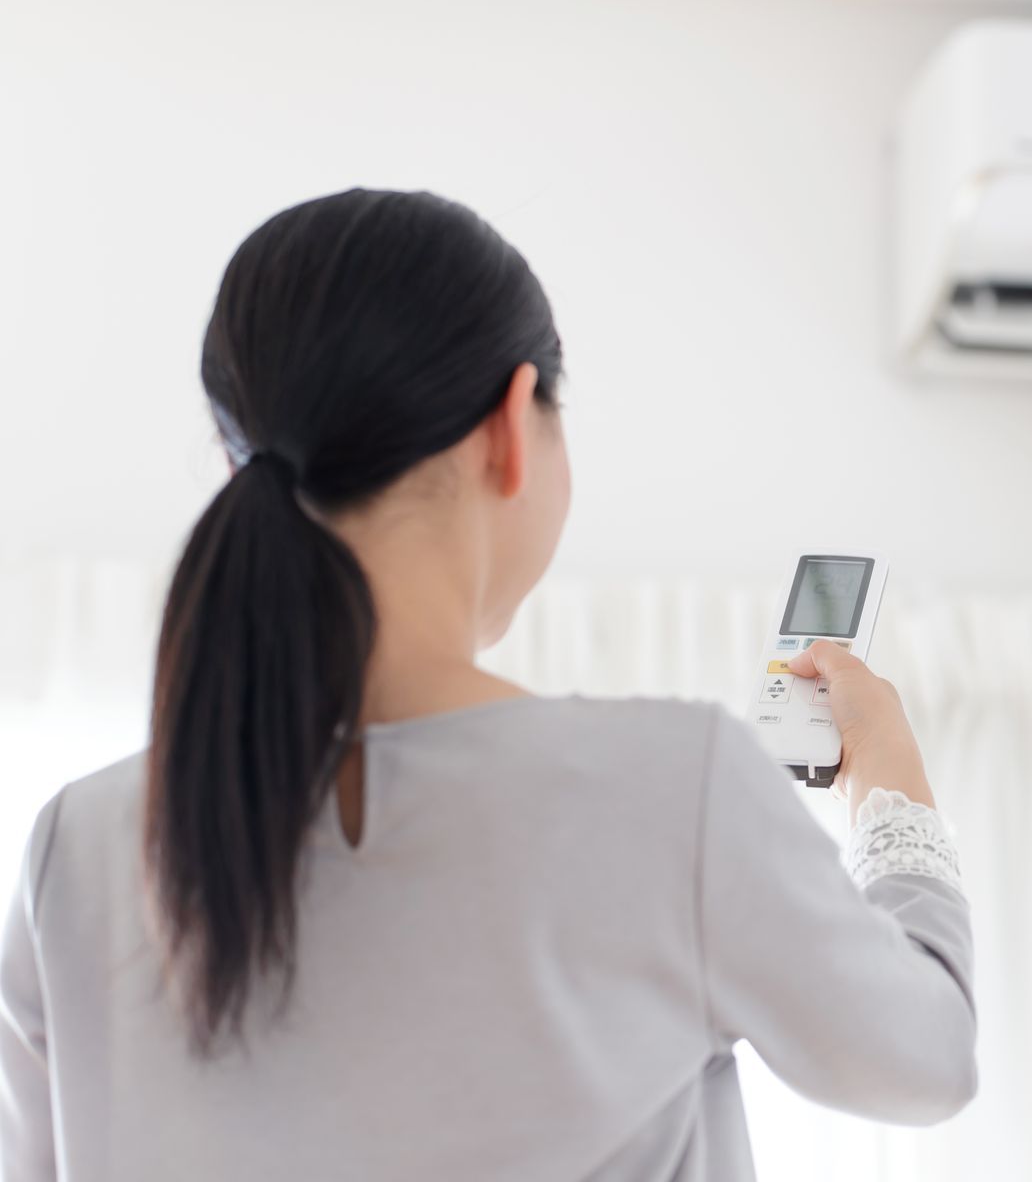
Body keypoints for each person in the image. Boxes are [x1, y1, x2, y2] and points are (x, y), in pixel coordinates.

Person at [0, 189, 975, 1180]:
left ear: (232, 458)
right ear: (512, 425)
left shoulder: (74, 848)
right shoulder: (674, 789)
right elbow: (925, 1061)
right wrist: (888, 786)